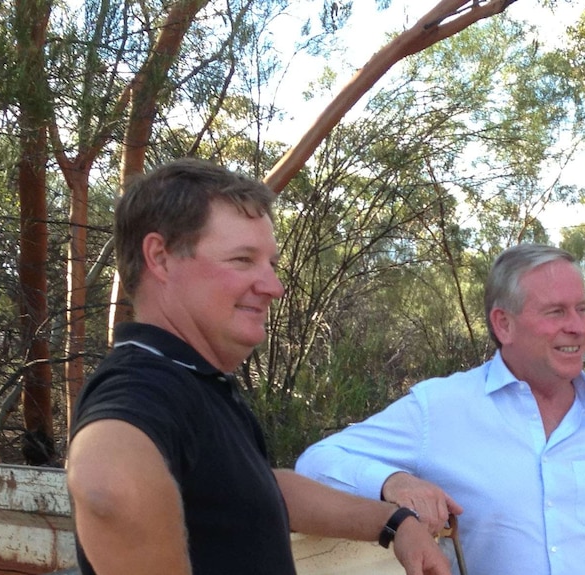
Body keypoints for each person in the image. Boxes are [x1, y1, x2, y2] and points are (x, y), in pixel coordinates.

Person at [66, 158, 451, 575]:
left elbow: (250, 489)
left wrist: (392, 522)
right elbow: (108, 487)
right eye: (243, 260)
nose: (273, 286)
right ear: (160, 257)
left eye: (271, 264)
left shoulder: (196, 381)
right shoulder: (143, 384)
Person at [296, 243, 585, 575]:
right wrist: (393, 482)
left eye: (582, 309)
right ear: (503, 324)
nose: (578, 327)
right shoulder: (440, 408)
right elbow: (317, 461)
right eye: (556, 312)